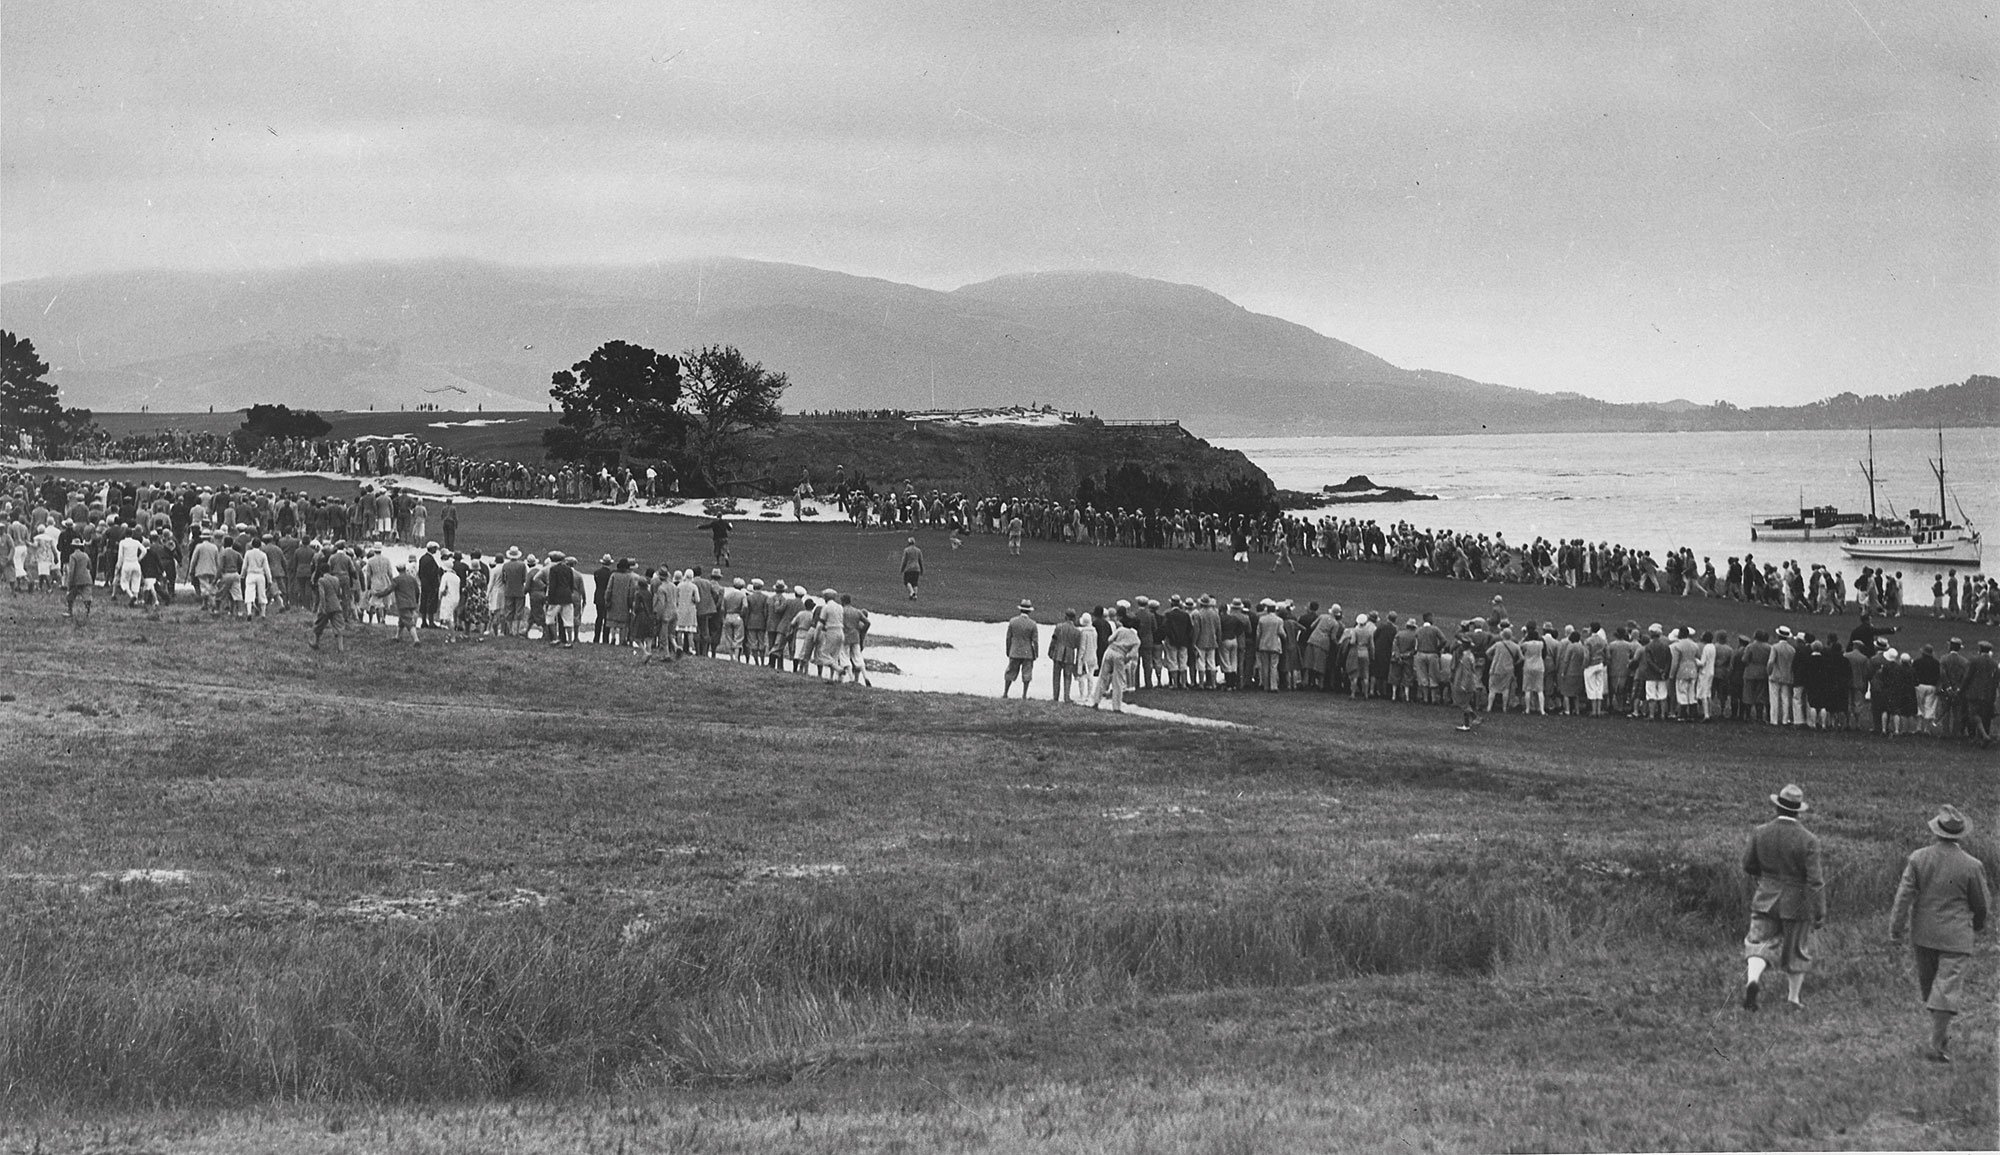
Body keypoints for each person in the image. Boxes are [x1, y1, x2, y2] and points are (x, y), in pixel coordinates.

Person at [1888, 805, 1990, 1063]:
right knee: (1942, 989)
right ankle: (1939, 1037)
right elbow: (1981, 904)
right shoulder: (1972, 865)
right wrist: (1978, 924)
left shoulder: (1918, 858)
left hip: (1923, 934)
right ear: (1959, 834)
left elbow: (1903, 897)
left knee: (1934, 987)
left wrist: (1896, 929)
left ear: (1936, 831)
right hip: (1956, 936)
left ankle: (1936, 1042)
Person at [1741, 784, 1825, 1013]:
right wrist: (1819, 912)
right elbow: (1815, 881)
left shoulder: (1760, 832)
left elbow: (1748, 865)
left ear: (1777, 806)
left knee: (1757, 942)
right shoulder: (1809, 840)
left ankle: (1753, 982)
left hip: (1765, 896)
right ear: (1798, 811)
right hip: (1797, 903)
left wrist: (1766, 878)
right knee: (1797, 949)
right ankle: (1793, 999)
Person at [1003, 598, 1039, 698]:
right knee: (1027, 674)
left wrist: (1008, 650)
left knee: (1010, 672)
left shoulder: (1013, 621)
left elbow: (1008, 638)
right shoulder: (1033, 624)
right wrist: (1036, 653)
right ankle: (1024, 694)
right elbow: (1035, 641)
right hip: (1028, 652)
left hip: (1014, 651)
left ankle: (1006, 692)